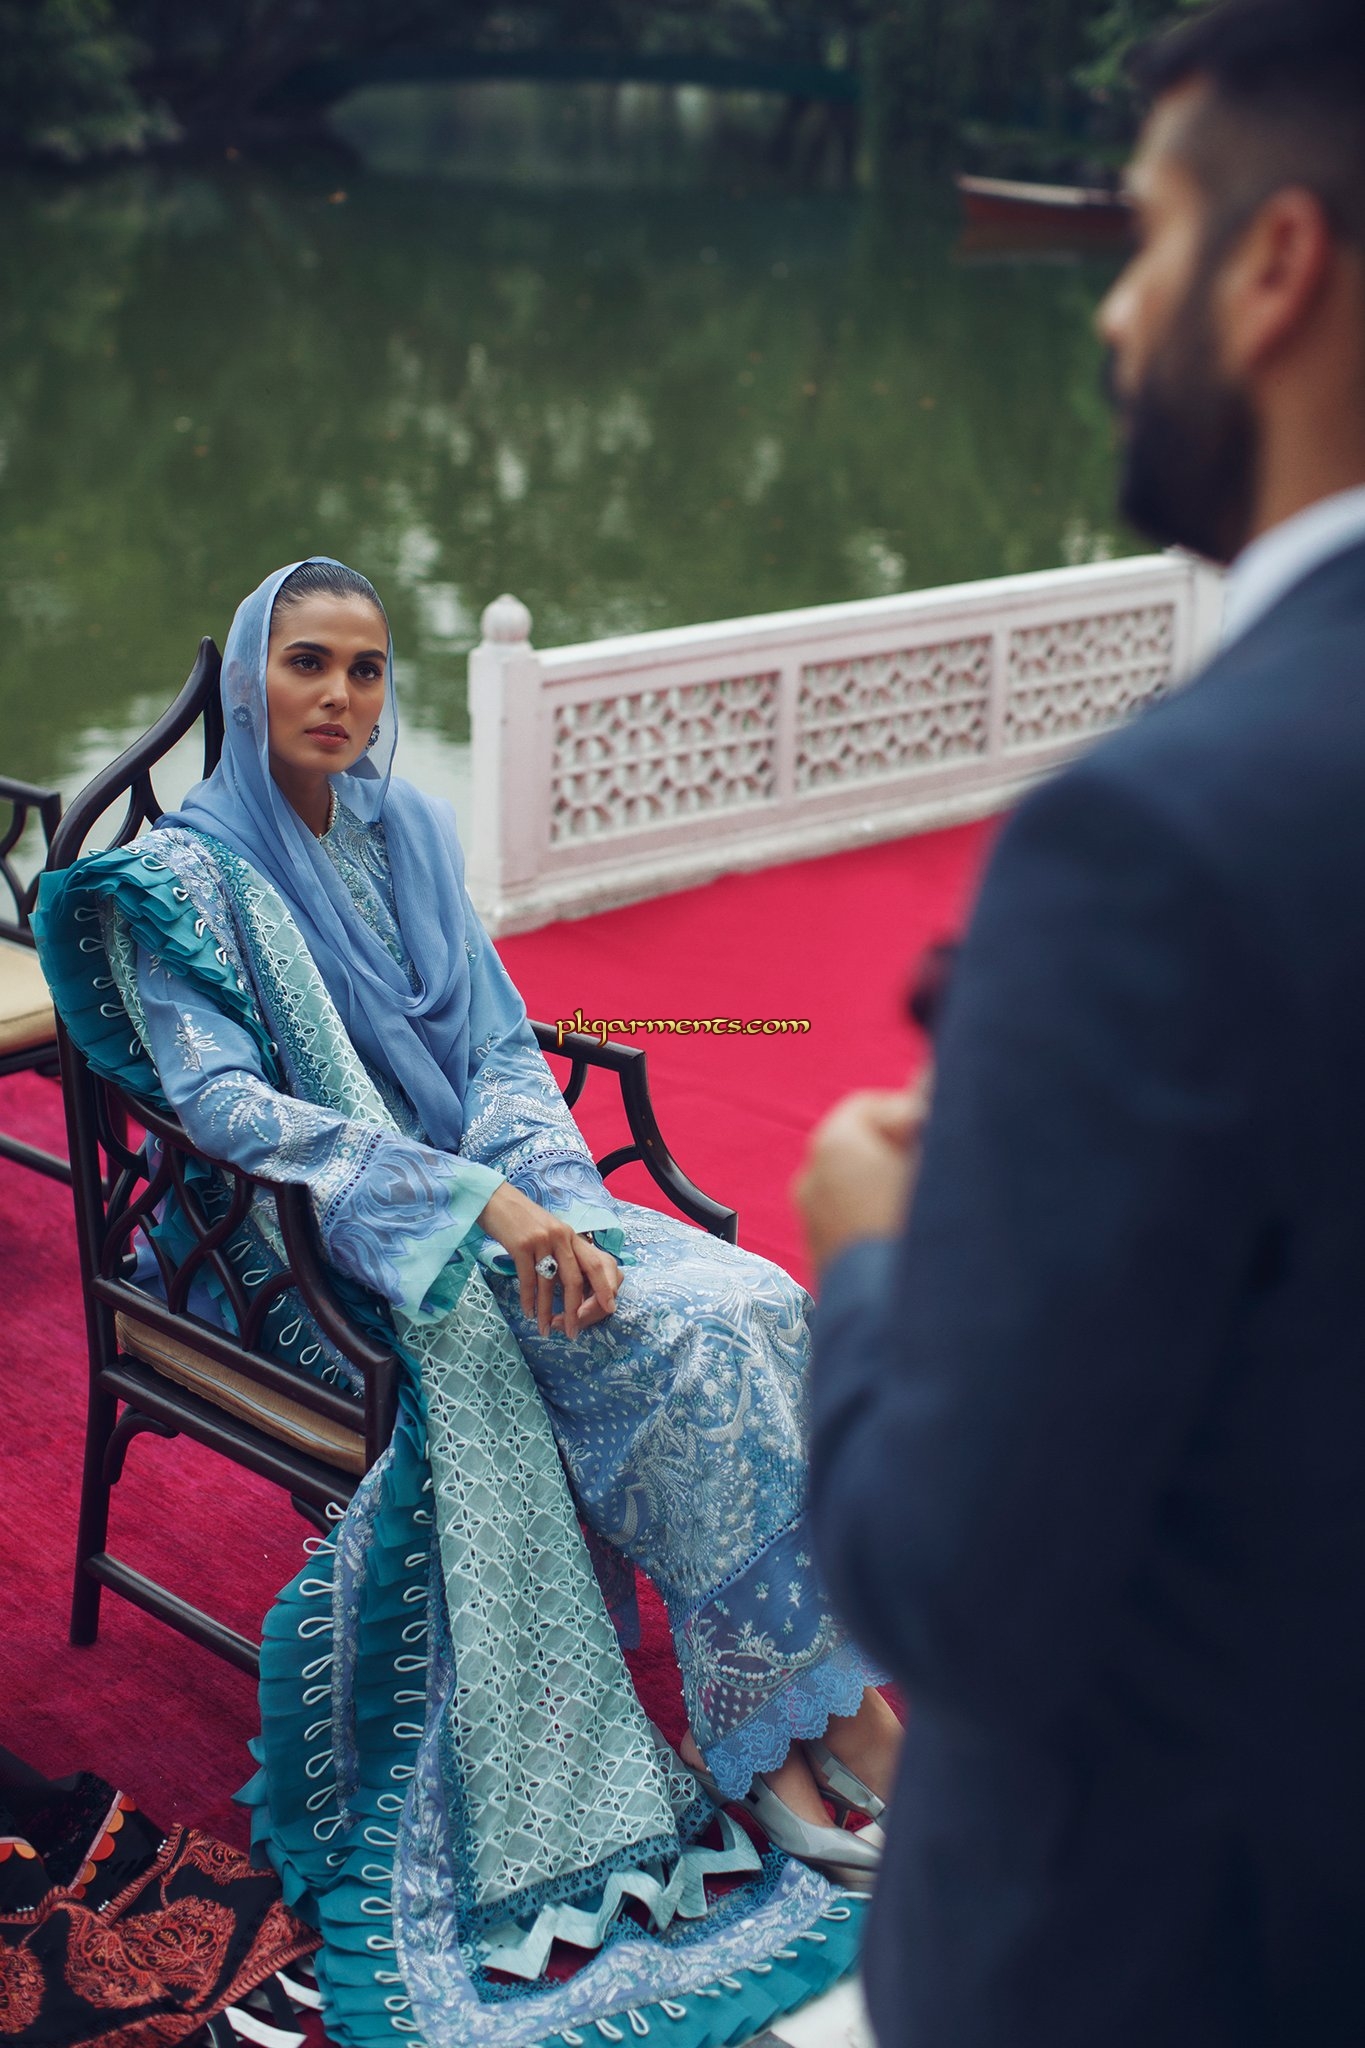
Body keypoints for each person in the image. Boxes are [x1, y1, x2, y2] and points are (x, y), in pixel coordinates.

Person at [35, 556, 900, 2048]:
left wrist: (554, 1204)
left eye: (367, 669)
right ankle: (791, 1755)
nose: (340, 697)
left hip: (508, 1200)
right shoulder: (181, 887)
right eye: (307, 662)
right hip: (324, 1250)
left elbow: (497, 1050)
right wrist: (467, 1208)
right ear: (251, 676)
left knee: (755, 1302)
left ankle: (810, 1712)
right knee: (673, 1350)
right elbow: (224, 1109)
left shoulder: (406, 836)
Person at [795, 2, 1365, 2044]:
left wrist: (869, 1252)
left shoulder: (1160, 838)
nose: (1113, 310)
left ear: (1274, 264)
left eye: (1142, 237)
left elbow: (956, 1583)